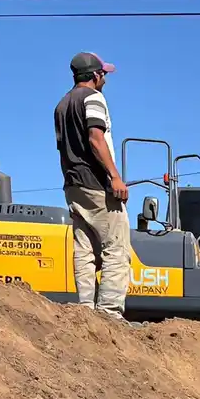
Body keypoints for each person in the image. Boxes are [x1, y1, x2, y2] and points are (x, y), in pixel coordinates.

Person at [54, 51, 130, 317]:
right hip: (96, 183)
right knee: (116, 248)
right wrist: (114, 176)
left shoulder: (62, 104)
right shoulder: (94, 98)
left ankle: (85, 310)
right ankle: (109, 312)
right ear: (95, 75)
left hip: (73, 184)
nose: (105, 80)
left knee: (84, 247)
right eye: (104, 75)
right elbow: (95, 137)